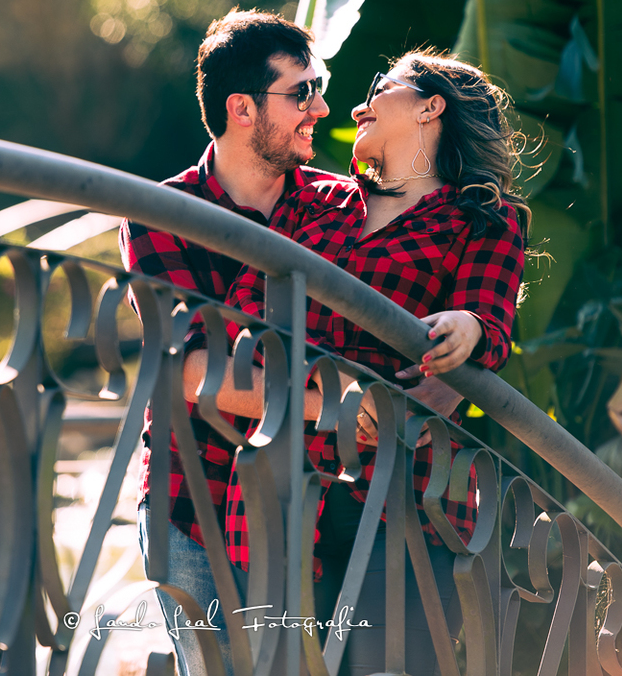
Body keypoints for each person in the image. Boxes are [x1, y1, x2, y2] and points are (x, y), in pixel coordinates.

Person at [196, 48, 530, 676]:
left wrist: (468, 328)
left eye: (381, 87)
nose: (354, 107)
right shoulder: (310, 204)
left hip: (403, 494)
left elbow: (488, 324)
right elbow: (243, 321)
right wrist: (324, 394)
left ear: (430, 106)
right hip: (279, 486)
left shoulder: (485, 218)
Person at [118, 8, 337, 676]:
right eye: (302, 92)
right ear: (242, 108)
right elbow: (194, 374)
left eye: (319, 87)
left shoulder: (339, 206)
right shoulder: (161, 215)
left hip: (313, 500)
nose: (321, 109)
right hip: (194, 501)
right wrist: (335, 406)